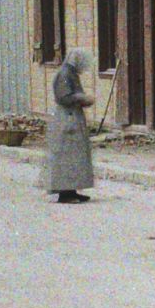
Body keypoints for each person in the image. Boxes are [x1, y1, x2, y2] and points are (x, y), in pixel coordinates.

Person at [43, 46, 97, 204]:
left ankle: (72, 190)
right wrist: (82, 98)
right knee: (67, 154)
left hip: (72, 115)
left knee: (74, 154)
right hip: (67, 118)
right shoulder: (65, 74)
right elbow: (63, 98)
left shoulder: (70, 72)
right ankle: (65, 193)